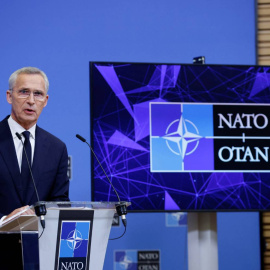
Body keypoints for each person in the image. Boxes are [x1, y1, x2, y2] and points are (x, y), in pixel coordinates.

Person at [0, 67, 70, 269]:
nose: (31, 100)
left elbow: (60, 202)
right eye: (24, 92)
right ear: (9, 96)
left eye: (37, 94)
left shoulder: (57, 148)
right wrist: (5, 221)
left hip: (39, 257)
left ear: (45, 101)